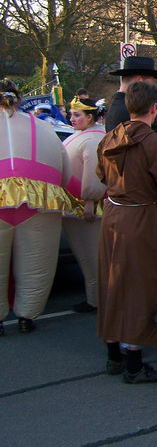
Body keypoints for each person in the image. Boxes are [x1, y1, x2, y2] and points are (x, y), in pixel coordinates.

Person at [96, 82, 157, 382]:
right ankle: (133, 361)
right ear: (154, 107)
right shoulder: (153, 141)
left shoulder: (108, 139)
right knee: (142, 286)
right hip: (142, 215)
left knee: (112, 281)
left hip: (114, 215)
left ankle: (113, 352)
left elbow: (101, 175)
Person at [0, 79, 73, 335]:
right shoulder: (43, 127)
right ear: (19, 100)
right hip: (39, 201)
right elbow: (65, 171)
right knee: (36, 263)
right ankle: (26, 316)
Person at [62, 96, 107, 313]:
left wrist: (90, 200)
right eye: (71, 114)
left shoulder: (94, 138)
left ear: (91, 117)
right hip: (76, 203)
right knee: (86, 255)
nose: (72, 118)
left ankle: (97, 300)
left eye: (77, 115)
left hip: (86, 206)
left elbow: (94, 171)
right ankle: (94, 298)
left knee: (91, 254)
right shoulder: (85, 135)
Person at [105, 56, 157, 130]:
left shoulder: (114, 105)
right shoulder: (136, 108)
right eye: (152, 82)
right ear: (139, 81)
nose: (153, 87)